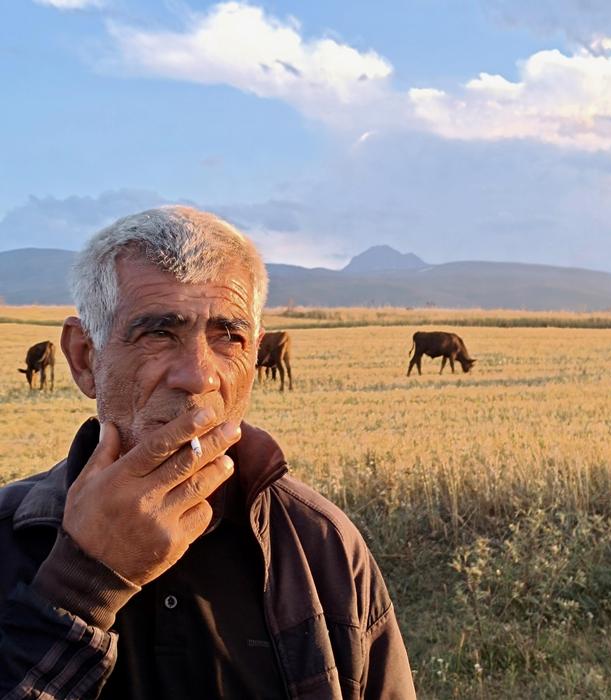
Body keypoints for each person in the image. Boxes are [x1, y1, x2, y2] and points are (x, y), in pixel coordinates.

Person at [0, 207, 415, 699]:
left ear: (256, 357)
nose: (199, 376)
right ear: (85, 357)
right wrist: (82, 586)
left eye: (228, 337)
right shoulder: (7, 541)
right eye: (158, 333)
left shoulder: (322, 547)